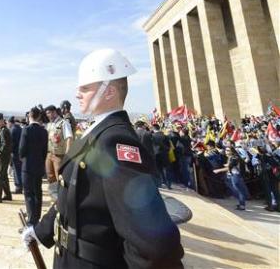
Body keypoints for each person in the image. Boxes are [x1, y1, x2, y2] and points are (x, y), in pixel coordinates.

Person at [22, 48, 183, 268]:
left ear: (109, 92)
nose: (77, 94)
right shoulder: (99, 132)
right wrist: (41, 231)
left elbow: (154, 244)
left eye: (85, 88)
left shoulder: (115, 142)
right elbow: (71, 196)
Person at [18, 106, 48, 226]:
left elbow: (22, 149)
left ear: (30, 116)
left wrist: (22, 157)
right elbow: (45, 151)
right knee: (38, 192)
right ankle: (37, 217)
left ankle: (31, 221)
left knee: (29, 193)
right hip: (39, 165)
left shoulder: (26, 130)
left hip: (28, 166)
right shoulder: (44, 131)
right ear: (39, 116)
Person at [44, 105, 74, 199]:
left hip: (59, 155)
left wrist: (67, 154)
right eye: (47, 114)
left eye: (49, 113)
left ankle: (62, 198)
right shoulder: (49, 125)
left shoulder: (64, 123)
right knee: (50, 176)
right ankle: (54, 198)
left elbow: (69, 138)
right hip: (49, 153)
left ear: (54, 112)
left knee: (60, 178)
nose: (48, 115)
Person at [0, 113, 12, 203]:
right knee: (4, 177)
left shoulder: (4, 131)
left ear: (0, 121)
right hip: (3, 157)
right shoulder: (3, 130)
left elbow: (5, 145)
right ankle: (8, 195)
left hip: (2, 158)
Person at [8, 117, 23, 194]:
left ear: (10, 122)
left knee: (16, 171)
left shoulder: (12, 130)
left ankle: (18, 187)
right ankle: (20, 185)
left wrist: (9, 152)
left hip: (15, 153)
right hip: (21, 153)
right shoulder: (20, 129)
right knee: (20, 170)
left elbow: (11, 143)